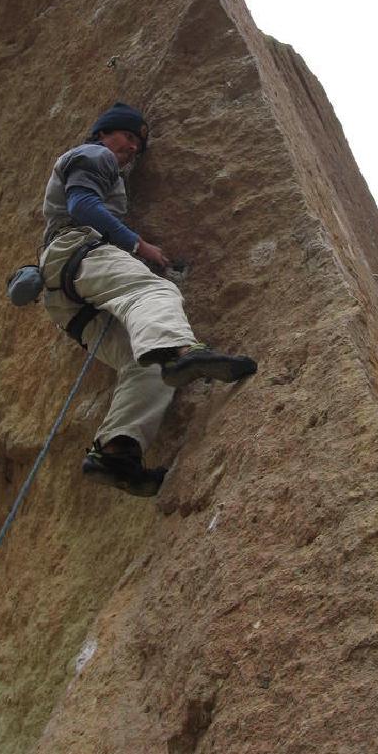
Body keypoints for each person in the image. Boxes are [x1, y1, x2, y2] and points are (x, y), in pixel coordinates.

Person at [39, 102, 257, 496]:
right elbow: (82, 206)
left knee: (143, 365)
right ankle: (181, 353)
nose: (133, 147)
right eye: (127, 135)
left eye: (139, 142)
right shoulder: (95, 154)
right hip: (77, 254)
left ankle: (117, 451)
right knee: (153, 291)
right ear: (103, 133)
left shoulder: (108, 167)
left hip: (66, 297)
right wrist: (138, 246)